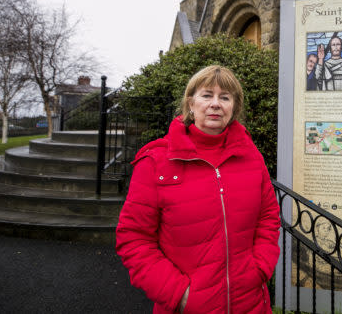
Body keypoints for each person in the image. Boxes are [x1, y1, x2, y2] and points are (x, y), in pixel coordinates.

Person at [116, 65, 280, 314]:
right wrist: (178, 294)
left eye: (225, 97)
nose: (216, 104)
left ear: (234, 107)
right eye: (207, 95)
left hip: (251, 304)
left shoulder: (250, 156)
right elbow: (134, 238)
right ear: (190, 104)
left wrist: (259, 268)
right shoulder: (156, 161)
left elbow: (268, 217)